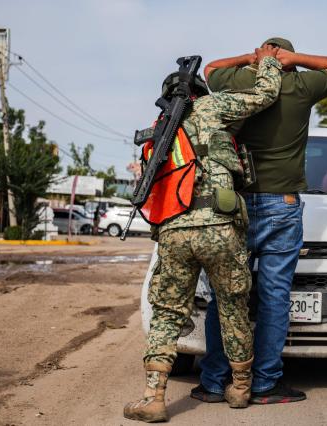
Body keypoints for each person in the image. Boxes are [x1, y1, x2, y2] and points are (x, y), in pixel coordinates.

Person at [123, 46, 282, 423]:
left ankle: (153, 396)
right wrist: (268, 62)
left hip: (174, 231)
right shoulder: (213, 108)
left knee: (166, 313)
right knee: (232, 307)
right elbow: (266, 95)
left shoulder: (159, 133)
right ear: (200, 91)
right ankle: (241, 388)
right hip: (219, 227)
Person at [193, 38, 327, 404]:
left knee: (226, 294)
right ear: (287, 63)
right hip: (282, 206)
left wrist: (251, 58)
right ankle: (265, 382)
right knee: (275, 295)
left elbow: (211, 68)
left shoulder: (238, 84)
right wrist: (293, 59)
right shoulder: (299, 86)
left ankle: (216, 381)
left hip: (235, 206)